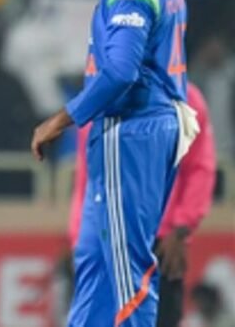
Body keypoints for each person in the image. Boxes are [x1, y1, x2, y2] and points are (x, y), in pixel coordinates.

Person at [30, 0, 198, 326]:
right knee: (94, 260)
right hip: (137, 127)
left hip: (132, 129)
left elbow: (121, 71)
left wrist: (61, 119)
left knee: (126, 271)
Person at [67, 82, 216, 326]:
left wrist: (181, 228)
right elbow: (88, 179)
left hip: (161, 242)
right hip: (108, 239)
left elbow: (200, 168)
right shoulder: (97, 97)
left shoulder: (186, 98)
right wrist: (79, 241)